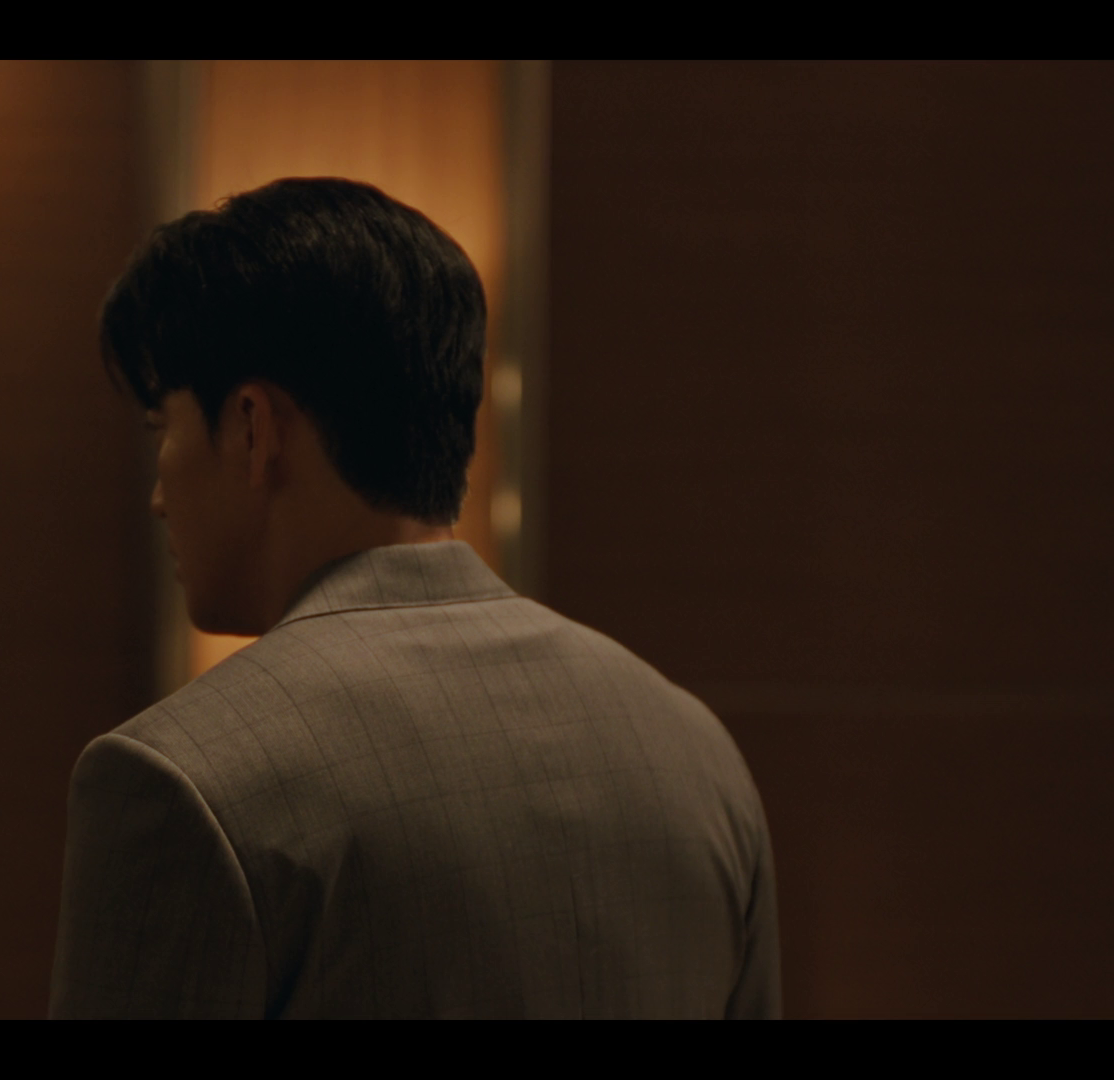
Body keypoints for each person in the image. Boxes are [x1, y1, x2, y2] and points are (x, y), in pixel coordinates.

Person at [49, 177, 779, 1020]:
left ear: (253, 428)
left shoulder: (182, 781)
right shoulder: (693, 752)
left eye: (161, 429)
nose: (157, 496)